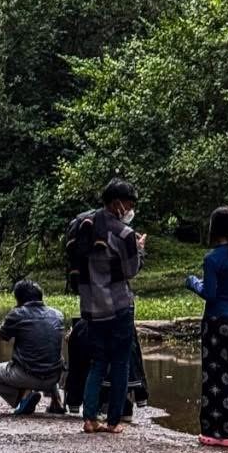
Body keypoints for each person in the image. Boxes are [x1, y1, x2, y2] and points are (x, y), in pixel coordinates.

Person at [66, 178, 144, 434]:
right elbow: (131, 270)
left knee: (97, 362)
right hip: (119, 305)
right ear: (117, 204)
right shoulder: (124, 234)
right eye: (129, 204)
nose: (130, 209)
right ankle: (112, 421)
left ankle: (89, 419)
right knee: (120, 362)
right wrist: (140, 250)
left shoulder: (82, 226)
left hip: (91, 307)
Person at [187, 205, 228, 448]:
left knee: (216, 376)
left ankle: (216, 431)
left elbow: (211, 294)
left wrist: (193, 282)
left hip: (218, 322)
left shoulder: (212, 258)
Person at [0, 280, 66, 414]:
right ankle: (57, 400)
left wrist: (14, 316)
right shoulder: (57, 314)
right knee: (49, 353)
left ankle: (23, 397)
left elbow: (0, 336)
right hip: (54, 376)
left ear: (18, 298)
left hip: (28, 376)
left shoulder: (17, 314)